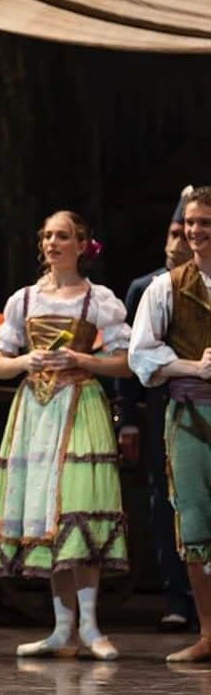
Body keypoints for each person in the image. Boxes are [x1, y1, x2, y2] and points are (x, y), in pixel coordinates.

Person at [0, 211, 131, 660]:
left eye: (62, 236)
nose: (52, 243)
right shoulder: (23, 300)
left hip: (79, 406)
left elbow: (125, 362)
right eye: (47, 236)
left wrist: (82, 360)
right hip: (35, 411)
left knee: (79, 507)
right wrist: (27, 362)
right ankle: (63, 628)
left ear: (83, 245)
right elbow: (0, 364)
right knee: (48, 514)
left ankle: (90, 626)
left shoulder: (98, 300)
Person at [129, 185, 211, 663]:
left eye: (205, 223)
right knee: (196, 525)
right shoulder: (166, 287)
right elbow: (142, 357)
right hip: (191, 417)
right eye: (191, 223)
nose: (196, 232)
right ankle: (207, 633)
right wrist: (191, 366)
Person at [115, 190, 194, 632]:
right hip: (162, 409)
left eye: (189, 231)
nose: (179, 240)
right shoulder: (147, 288)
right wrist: (127, 418)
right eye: (173, 231)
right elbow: (130, 361)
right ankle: (177, 599)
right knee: (165, 505)